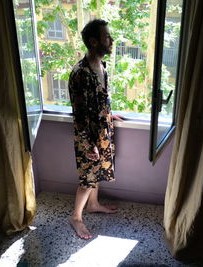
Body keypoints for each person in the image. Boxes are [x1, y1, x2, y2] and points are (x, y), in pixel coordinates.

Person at [68, 19, 124, 239]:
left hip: (102, 130)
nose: (111, 40)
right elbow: (79, 113)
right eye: (106, 37)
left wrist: (109, 114)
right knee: (88, 178)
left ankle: (93, 204)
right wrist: (89, 143)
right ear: (93, 42)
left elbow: (101, 97)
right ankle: (76, 217)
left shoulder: (102, 66)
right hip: (88, 136)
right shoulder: (80, 73)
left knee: (98, 171)